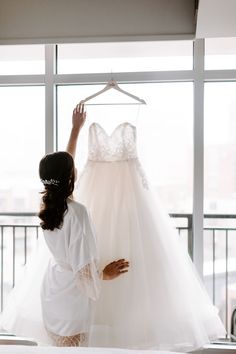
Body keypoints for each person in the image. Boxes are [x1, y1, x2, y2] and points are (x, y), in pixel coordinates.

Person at [38, 103, 129, 346]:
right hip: (71, 300)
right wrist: (105, 275)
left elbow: (64, 166)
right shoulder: (77, 212)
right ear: (71, 176)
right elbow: (84, 273)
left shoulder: (47, 206)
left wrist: (75, 130)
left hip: (53, 291)